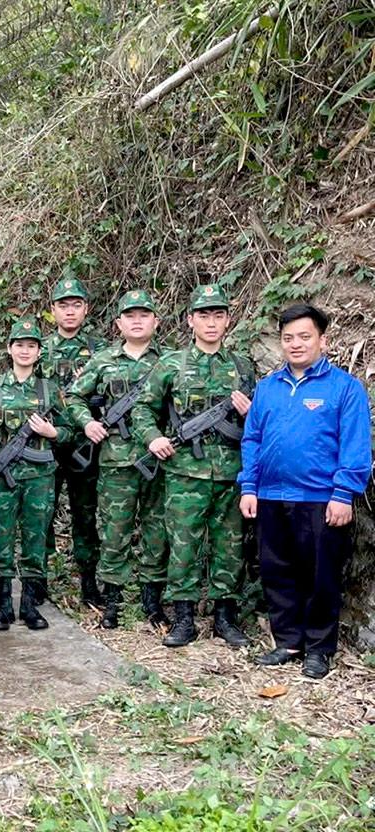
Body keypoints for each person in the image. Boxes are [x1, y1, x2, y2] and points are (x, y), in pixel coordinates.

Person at [239, 304, 372, 678]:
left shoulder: (344, 388)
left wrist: (344, 493)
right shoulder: (267, 388)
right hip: (270, 496)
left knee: (321, 575)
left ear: (322, 340)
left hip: (320, 499)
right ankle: (288, 641)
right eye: (288, 338)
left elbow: (356, 445)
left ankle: (318, 648)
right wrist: (249, 486)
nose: (295, 344)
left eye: (304, 336)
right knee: (276, 571)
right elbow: (252, 439)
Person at [133, 284, 255, 649]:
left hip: (231, 472)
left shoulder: (242, 366)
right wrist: (153, 438)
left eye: (218, 315)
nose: (211, 322)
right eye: (204, 315)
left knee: (229, 547)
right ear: (190, 320)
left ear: (228, 320)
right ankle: (184, 618)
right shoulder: (171, 364)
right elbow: (142, 407)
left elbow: (263, 421)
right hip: (185, 472)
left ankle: (224, 618)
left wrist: (252, 416)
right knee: (183, 546)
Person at [67, 290, 168, 630]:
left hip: (158, 460)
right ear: (118, 323)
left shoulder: (170, 361)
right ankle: (113, 601)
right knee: (114, 531)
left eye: (144, 314)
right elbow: (73, 396)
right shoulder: (103, 360)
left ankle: (152, 602)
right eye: (130, 315)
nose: (137, 321)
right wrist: (88, 423)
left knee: (156, 530)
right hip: (116, 460)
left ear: (156, 320)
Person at [0, 317, 72, 631]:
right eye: (19, 345)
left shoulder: (48, 389)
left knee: (36, 538)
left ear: (39, 352)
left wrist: (53, 432)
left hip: (40, 477)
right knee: (0, 539)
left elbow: (70, 431)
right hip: (1, 478)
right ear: (10, 349)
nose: (25, 351)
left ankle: (29, 606)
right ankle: (3, 609)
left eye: (31, 346)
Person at [39, 277, 107, 606]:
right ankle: (40, 579)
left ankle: (89, 582)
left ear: (86, 309)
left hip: (86, 445)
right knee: (42, 513)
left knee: (85, 514)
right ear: (53, 310)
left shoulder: (101, 350)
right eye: (63, 305)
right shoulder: (38, 348)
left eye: (76, 305)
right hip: (45, 446)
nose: (70, 311)